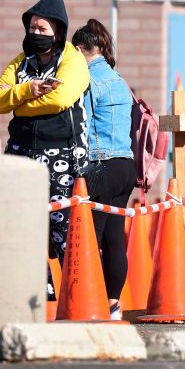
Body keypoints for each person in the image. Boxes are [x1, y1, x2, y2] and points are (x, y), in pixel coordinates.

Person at [0, 0, 89, 299]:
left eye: (43, 29)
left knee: (62, 225)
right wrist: (29, 89)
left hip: (62, 153)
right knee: (20, 221)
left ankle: (77, 294)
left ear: (58, 32)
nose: (36, 34)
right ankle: (38, 288)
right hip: (20, 151)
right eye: (32, 27)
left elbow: (60, 99)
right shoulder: (21, 63)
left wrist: (18, 101)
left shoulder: (72, 60)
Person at [71, 19, 136, 320]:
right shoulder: (120, 80)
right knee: (114, 240)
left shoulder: (85, 79)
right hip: (125, 165)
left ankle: (89, 303)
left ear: (81, 49)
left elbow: (80, 124)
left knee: (90, 237)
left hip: (101, 164)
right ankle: (112, 305)